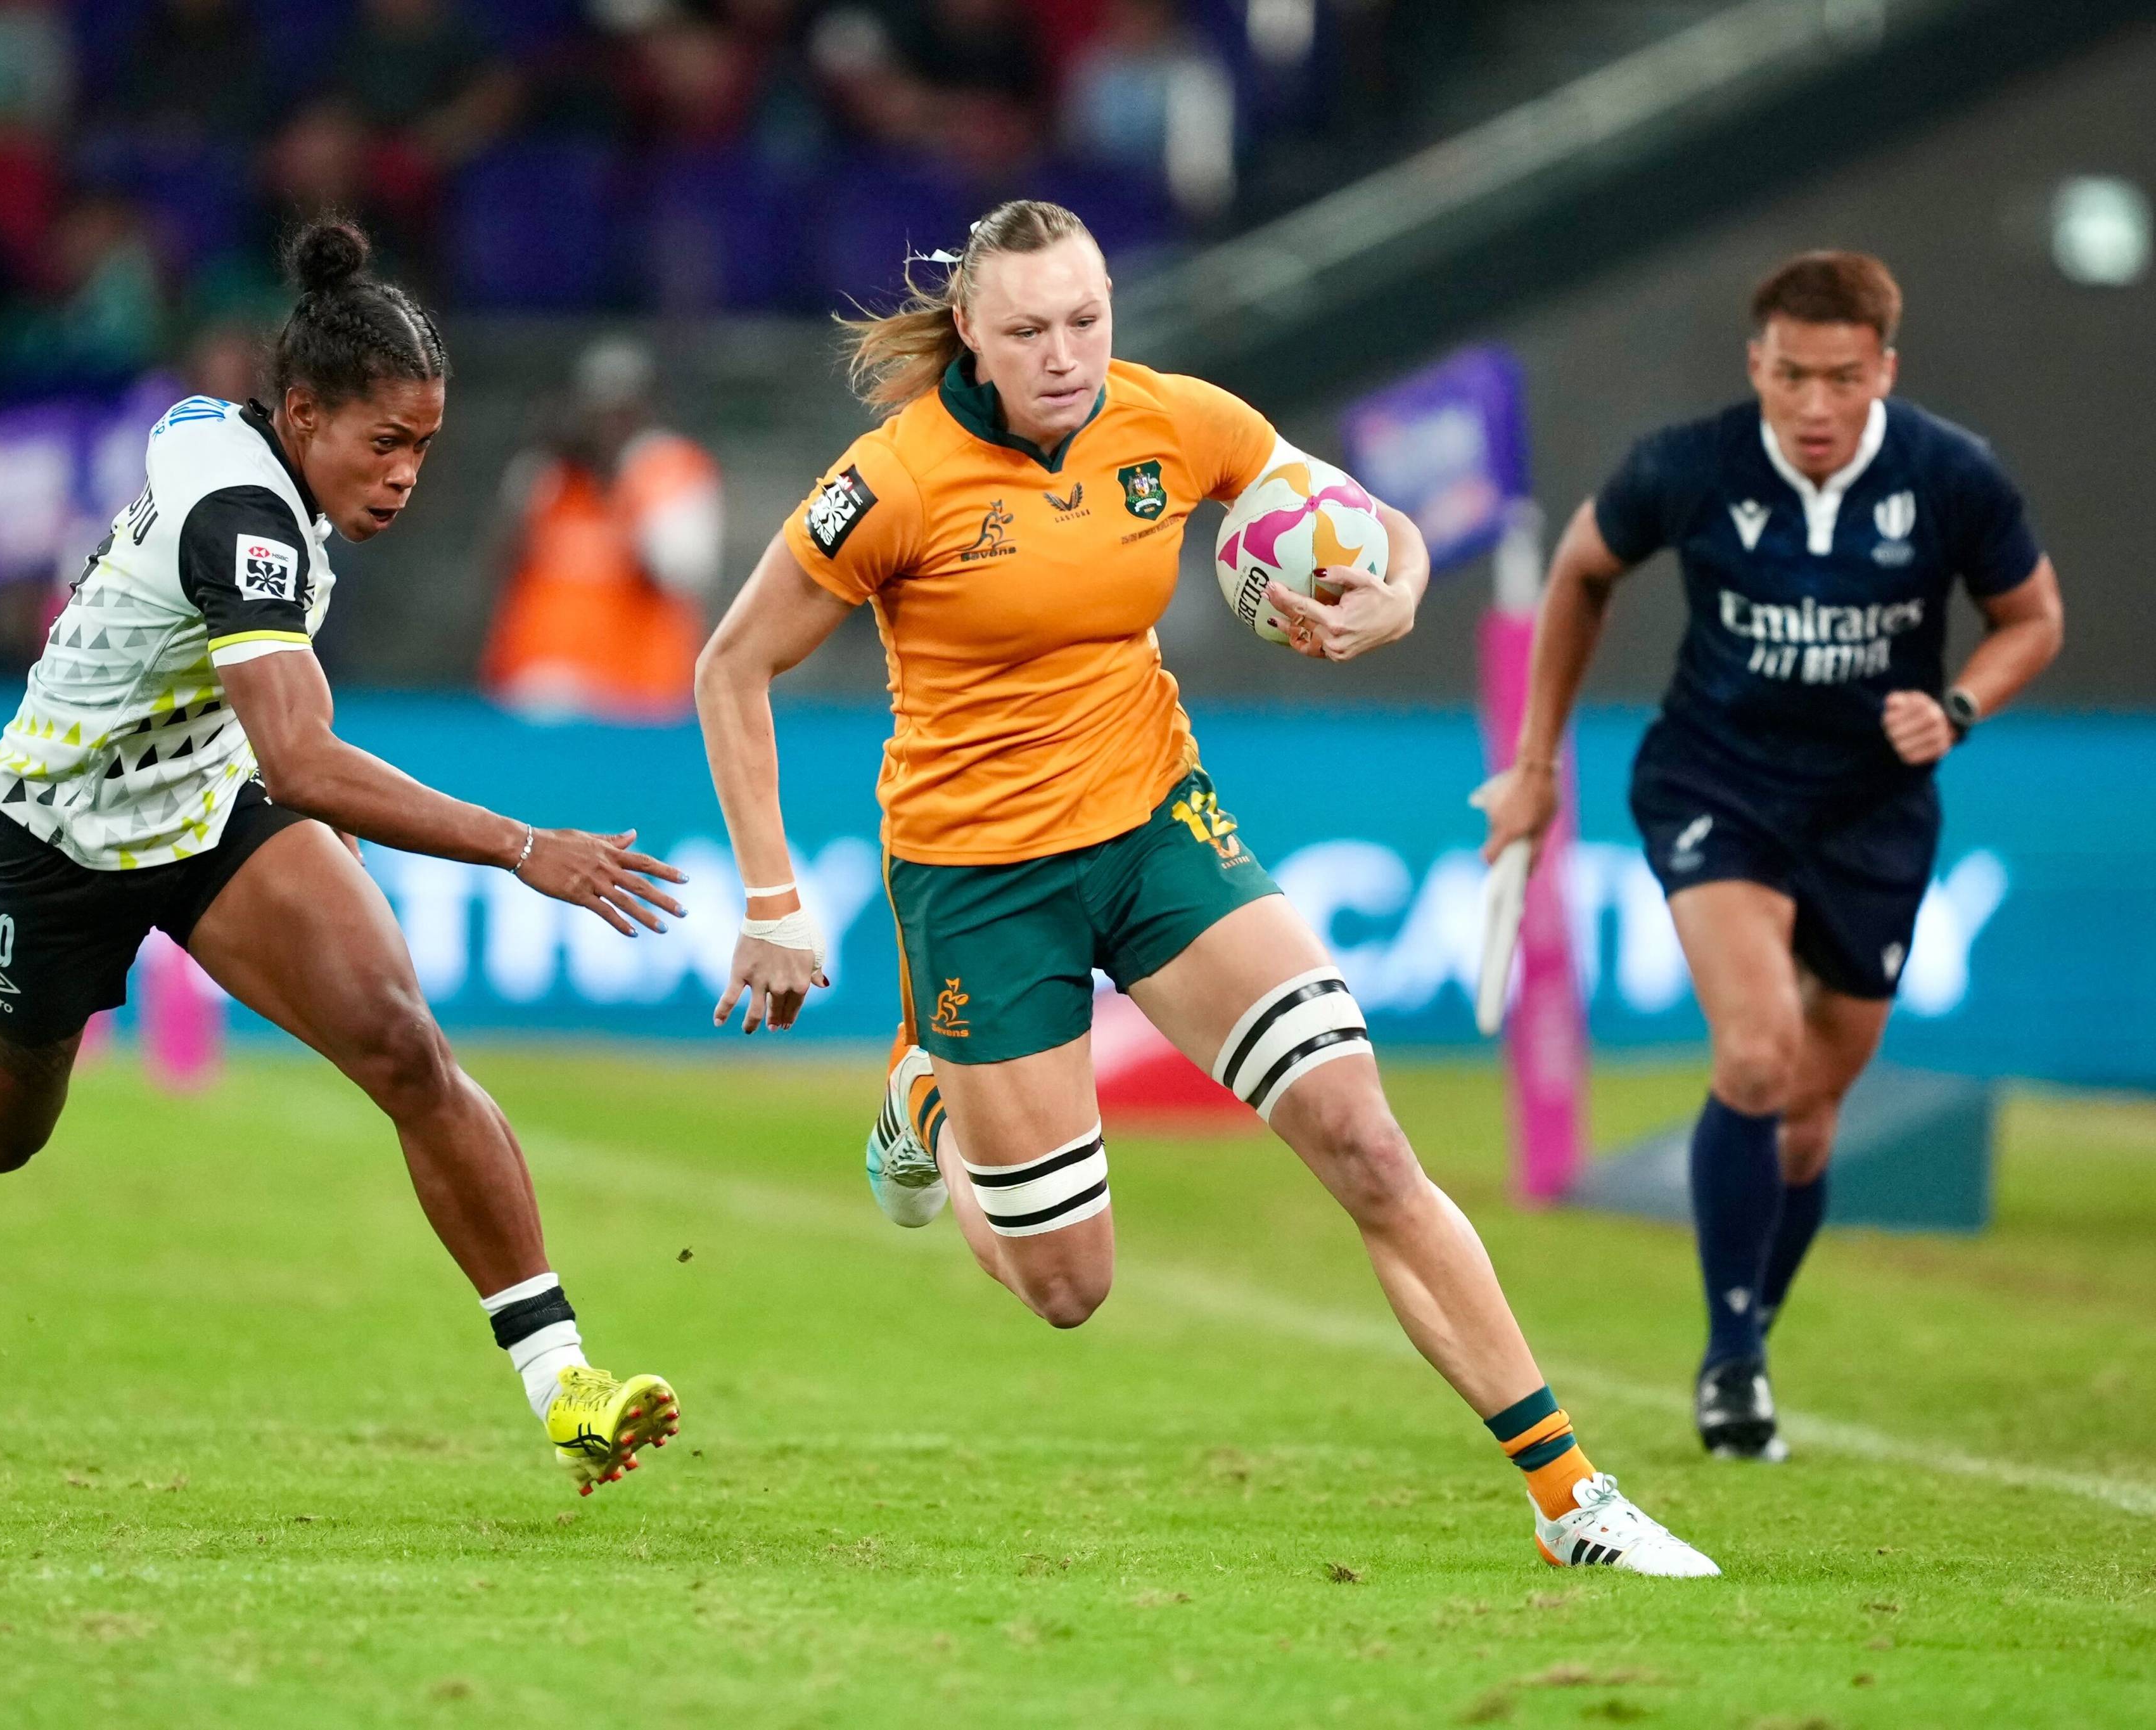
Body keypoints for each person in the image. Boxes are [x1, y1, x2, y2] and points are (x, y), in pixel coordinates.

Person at [693, 198, 1718, 1575]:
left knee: (1364, 1140)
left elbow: (1366, 523)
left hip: (1155, 832)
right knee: (1067, 1284)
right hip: (981, 881)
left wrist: (1400, 591)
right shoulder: (893, 483)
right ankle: (927, 1100)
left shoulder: (1172, 420)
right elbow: (730, 668)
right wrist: (771, 902)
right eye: (1028, 331)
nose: (1065, 353)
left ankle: (1572, 1500)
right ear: (973, 336)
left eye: (1086, 319)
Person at [0, 219, 687, 1495]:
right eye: (385, 443)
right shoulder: (244, 519)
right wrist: (520, 847)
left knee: (403, 1046)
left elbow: (274, 730)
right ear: (304, 414)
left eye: (424, 446)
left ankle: (564, 1385)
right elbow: (304, 756)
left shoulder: (242, 450)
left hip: (205, 807)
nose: (406, 475)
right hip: (55, 831)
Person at [1476, 251, 2063, 1462]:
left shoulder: (1952, 475)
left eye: (1841, 378)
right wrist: (1536, 763)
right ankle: (1732, 1362)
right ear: (1757, 365)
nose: (1813, 405)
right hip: (1717, 787)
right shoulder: (1685, 466)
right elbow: (1581, 571)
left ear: (1884, 370)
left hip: (1873, 814)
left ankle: (1753, 1324)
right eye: (1791, 375)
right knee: (1756, 1052)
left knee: (1808, 1119)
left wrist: (1957, 709)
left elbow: (2033, 618)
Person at [480, 336, 723, 723]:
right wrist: (546, 473)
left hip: (638, 698)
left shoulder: (669, 471)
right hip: (537, 693)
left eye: (618, 413)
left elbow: (680, 572)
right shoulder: (548, 474)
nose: (604, 426)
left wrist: (622, 485)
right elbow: (500, 565)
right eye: (594, 411)